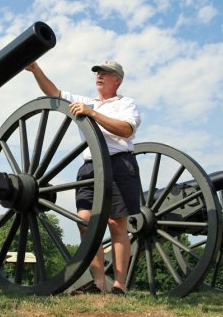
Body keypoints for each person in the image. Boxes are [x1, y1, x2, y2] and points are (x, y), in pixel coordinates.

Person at [25, 60, 142, 295]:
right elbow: (54, 93)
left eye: (105, 73)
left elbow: (126, 130)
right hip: (90, 167)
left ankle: (119, 285)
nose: (99, 75)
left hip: (119, 164)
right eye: (97, 72)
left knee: (117, 225)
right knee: (85, 221)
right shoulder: (84, 100)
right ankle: (98, 283)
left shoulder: (125, 103)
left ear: (117, 80)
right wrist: (36, 69)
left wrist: (92, 113)